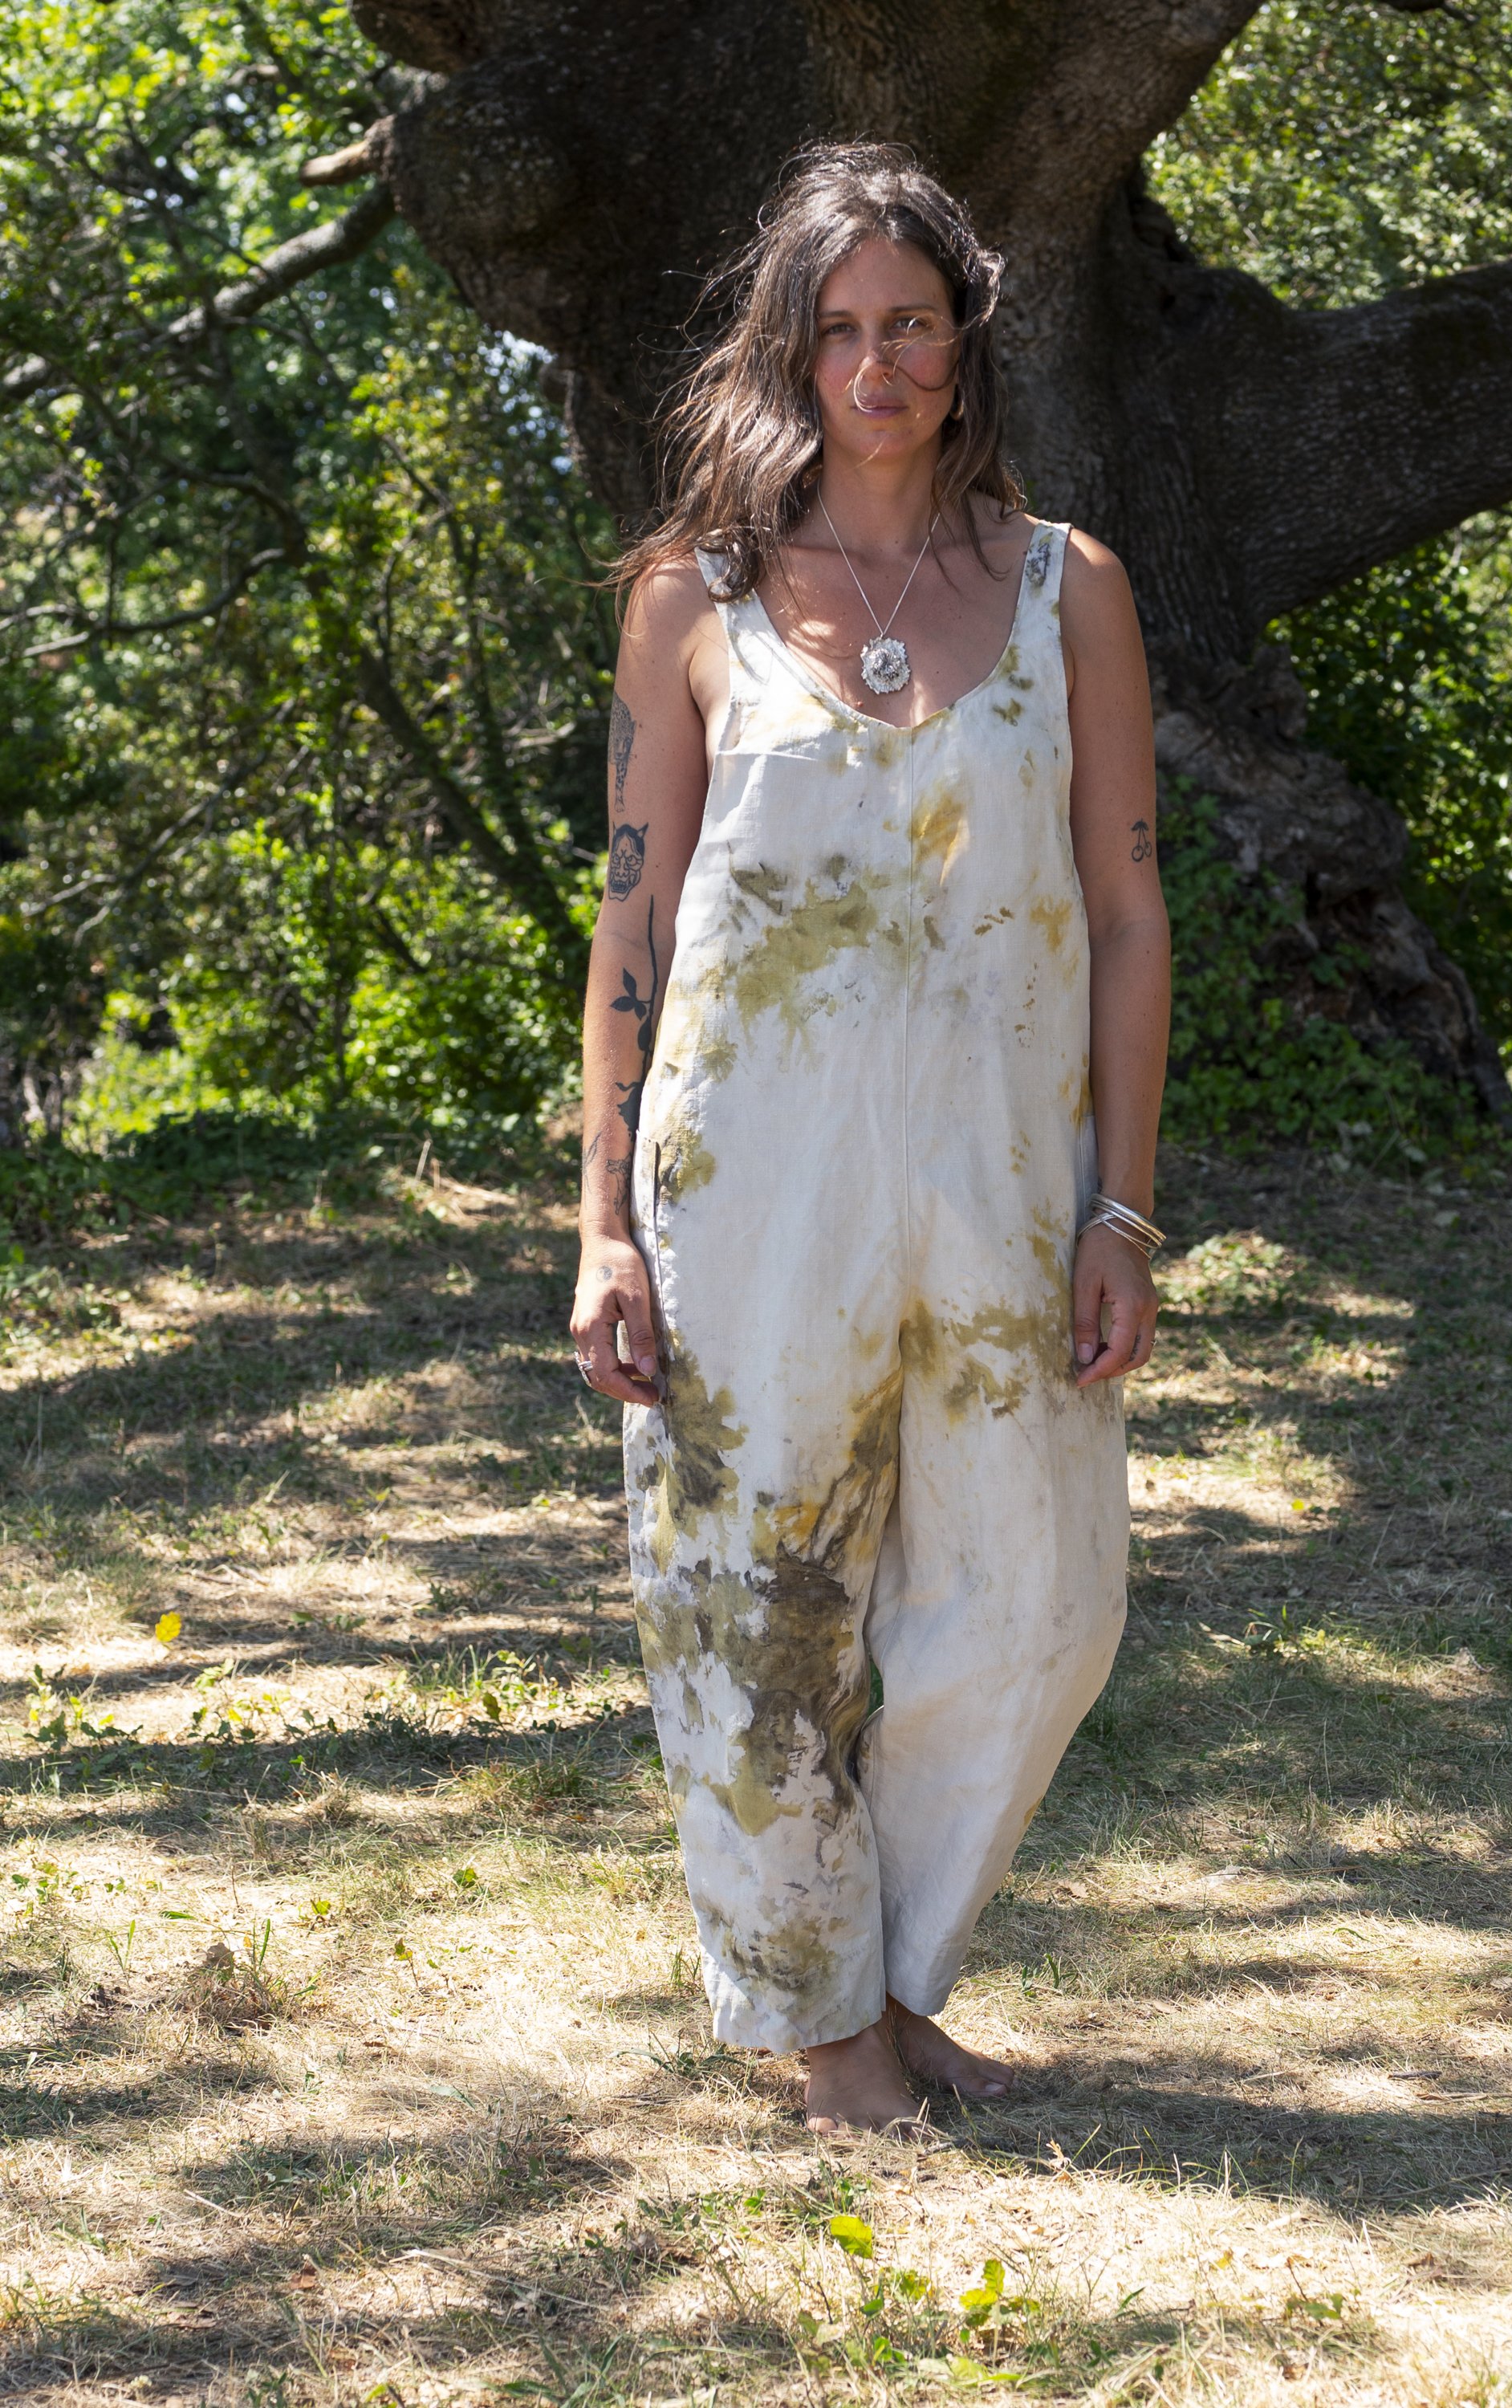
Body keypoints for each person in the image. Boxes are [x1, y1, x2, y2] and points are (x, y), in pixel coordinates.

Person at [568, 141, 1170, 2135]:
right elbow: (635, 924)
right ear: (792, 354)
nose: (878, 363)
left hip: (1003, 1182)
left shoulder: (1071, 590)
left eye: (912, 322)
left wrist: (1122, 1209)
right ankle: (831, 2028)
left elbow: (1128, 910)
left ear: (966, 338)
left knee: (1041, 1605)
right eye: (839, 330)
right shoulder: (697, 600)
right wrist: (604, 1227)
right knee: (754, 1598)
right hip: (752, 1185)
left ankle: (889, 1976)